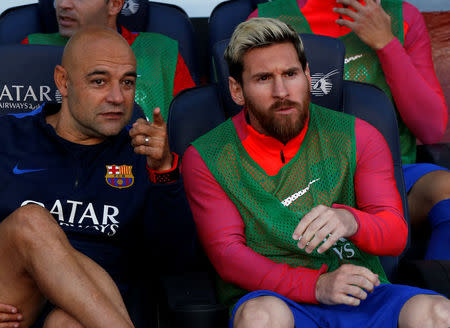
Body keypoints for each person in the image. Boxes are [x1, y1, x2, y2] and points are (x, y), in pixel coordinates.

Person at [182, 18, 450, 327]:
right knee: (260, 317)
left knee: (438, 313)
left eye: (291, 74)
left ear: (308, 75)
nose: (281, 91)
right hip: (277, 299)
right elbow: (229, 257)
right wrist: (315, 285)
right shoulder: (208, 156)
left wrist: (351, 220)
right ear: (237, 90)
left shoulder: (358, 135)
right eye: (264, 78)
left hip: (359, 292)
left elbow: (395, 236)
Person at [0, 26, 194, 327]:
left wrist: (164, 173)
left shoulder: (142, 154)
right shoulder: (8, 137)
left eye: (127, 83)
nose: (117, 97)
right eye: (99, 81)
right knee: (31, 221)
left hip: (95, 309)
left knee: (68, 322)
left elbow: (176, 264)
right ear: (63, 82)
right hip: (14, 303)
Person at [249, 0, 450, 260]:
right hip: (299, 179)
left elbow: (431, 128)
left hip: (391, 181)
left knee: (446, 188)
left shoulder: (402, 17)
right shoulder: (269, 18)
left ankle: (435, 292)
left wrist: (386, 43)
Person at [22, 0, 196, 122]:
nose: (62, 4)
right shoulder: (33, 47)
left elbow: (187, 130)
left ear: (114, 4)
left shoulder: (160, 50)